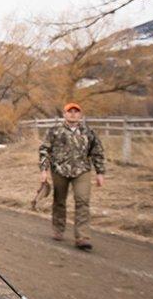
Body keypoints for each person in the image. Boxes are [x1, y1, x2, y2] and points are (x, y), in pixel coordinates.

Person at [38, 103, 105, 251]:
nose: (73, 114)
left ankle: (82, 237)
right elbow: (44, 150)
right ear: (64, 114)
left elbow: (97, 152)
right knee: (59, 200)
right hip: (59, 170)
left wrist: (100, 172)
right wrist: (44, 170)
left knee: (82, 200)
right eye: (70, 112)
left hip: (82, 171)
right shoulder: (55, 131)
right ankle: (58, 229)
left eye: (76, 112)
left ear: (80, 115)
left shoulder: (88, 132)